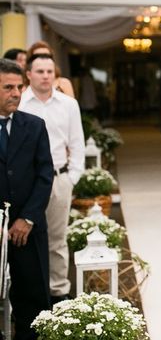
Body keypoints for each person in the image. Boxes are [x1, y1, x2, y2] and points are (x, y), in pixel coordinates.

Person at [19, 54, 85, 304]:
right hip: (27, 182)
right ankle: (30, 293)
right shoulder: (21, 103)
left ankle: (58, 292)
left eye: (49, 71)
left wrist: (72, 179)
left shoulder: (68, 105)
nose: (45, 76)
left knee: (57, 241)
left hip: (58, 180)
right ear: (29, 75)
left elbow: (77, 144)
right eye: (40, 71)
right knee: (25, 239)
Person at [0, 59, 54, 340]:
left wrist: (28, 218)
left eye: (19, 87)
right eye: (8, 87)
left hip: (28, 230)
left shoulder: (34, 126)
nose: (16, 93)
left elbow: (45, 174)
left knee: (32, 300)